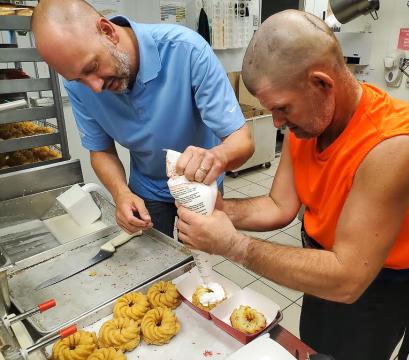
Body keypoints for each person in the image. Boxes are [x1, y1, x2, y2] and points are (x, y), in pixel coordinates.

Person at [176, 10, 409, 360]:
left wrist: (233, 245)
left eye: (282, 108)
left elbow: (347, 279)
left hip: (377, 285)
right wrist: (218, 209)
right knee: (315, 348)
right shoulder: (310, 123)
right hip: (324, 262)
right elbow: (279, 206)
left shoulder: (394, 147)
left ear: (322, 83)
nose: (277, 123)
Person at [31, 0, 254, 237]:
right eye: (78, 79)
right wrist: (121, 193)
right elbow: (100, 151)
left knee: (202, 263)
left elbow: (242, 139)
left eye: (91, 67)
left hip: (198, 186)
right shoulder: (79, 86)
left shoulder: (186, 49)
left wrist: (215, 157)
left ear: (107, 31)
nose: (94, 88)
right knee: (160, 263)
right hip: (146, 191)